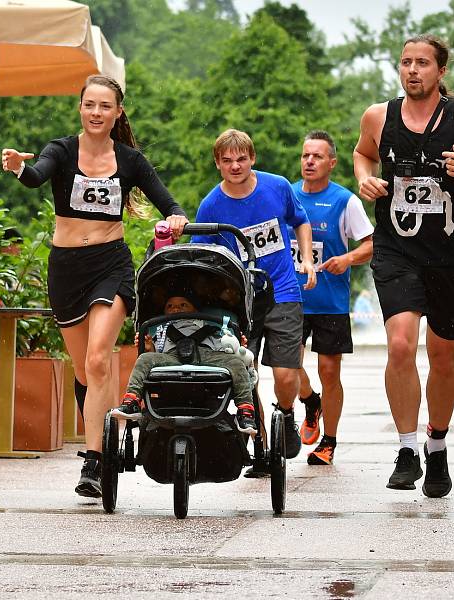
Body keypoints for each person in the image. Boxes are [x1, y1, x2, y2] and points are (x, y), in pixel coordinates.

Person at [1, 74, 188, 498]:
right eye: (90, 105)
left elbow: (169, 202)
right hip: (66, 267)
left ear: (118, 112)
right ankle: (104, 426)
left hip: (111, 263)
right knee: (85, 370)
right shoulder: (62, 150)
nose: (97, 113)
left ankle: (94, 460)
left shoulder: (131, 160)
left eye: (105, 106)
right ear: (81, 108)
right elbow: (35, 176)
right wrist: (18, 168)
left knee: (100, 356)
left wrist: (175, 217)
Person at [353, 34, 454, 497]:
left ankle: (437, 444)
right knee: (401, 345)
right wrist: (366, 179)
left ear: (440, 71)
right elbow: (363, 153)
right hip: (396, 250)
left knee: (444, 355)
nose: (412, 70)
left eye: (422, 63)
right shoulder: (378, 117)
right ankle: (407, 448)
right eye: (406, 62)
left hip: (450, 256)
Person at [190, 129, 316, 462]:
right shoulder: (210, 206)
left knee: (286, 373)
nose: (235, 166)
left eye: (241, 159)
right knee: (247, 373)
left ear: (253, 159)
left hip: (283, 289)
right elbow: (200, 257)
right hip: (240, 299)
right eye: (227, 160)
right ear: (217, 163)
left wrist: (305, 259)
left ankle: (286, 414)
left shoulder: (278, 186)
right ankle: (260, 443)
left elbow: (301, 222)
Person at [290, 130, 374, 466]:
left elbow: (371, 244)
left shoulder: (345, 201)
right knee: (288, 365)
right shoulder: (288, 196)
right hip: (290, 299)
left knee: (329, 370)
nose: (309, 161)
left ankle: (329, 441)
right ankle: (311, 402)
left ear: (332, 163)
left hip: (330, 302)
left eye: (318, 156)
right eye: (305, 155)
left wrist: (347, 259)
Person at [113, 294, 256, 433]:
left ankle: (245, 410)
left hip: (208, 356)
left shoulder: (209, 325)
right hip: (172, 356)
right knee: (144, 359)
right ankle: (132, 401)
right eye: (170, 306)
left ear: (195, 309)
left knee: (236, 362)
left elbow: (225, 347)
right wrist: (149, 346)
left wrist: (238, 346)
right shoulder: (161, 328)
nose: (176, 309)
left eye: (183, 305)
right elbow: (158, 353)